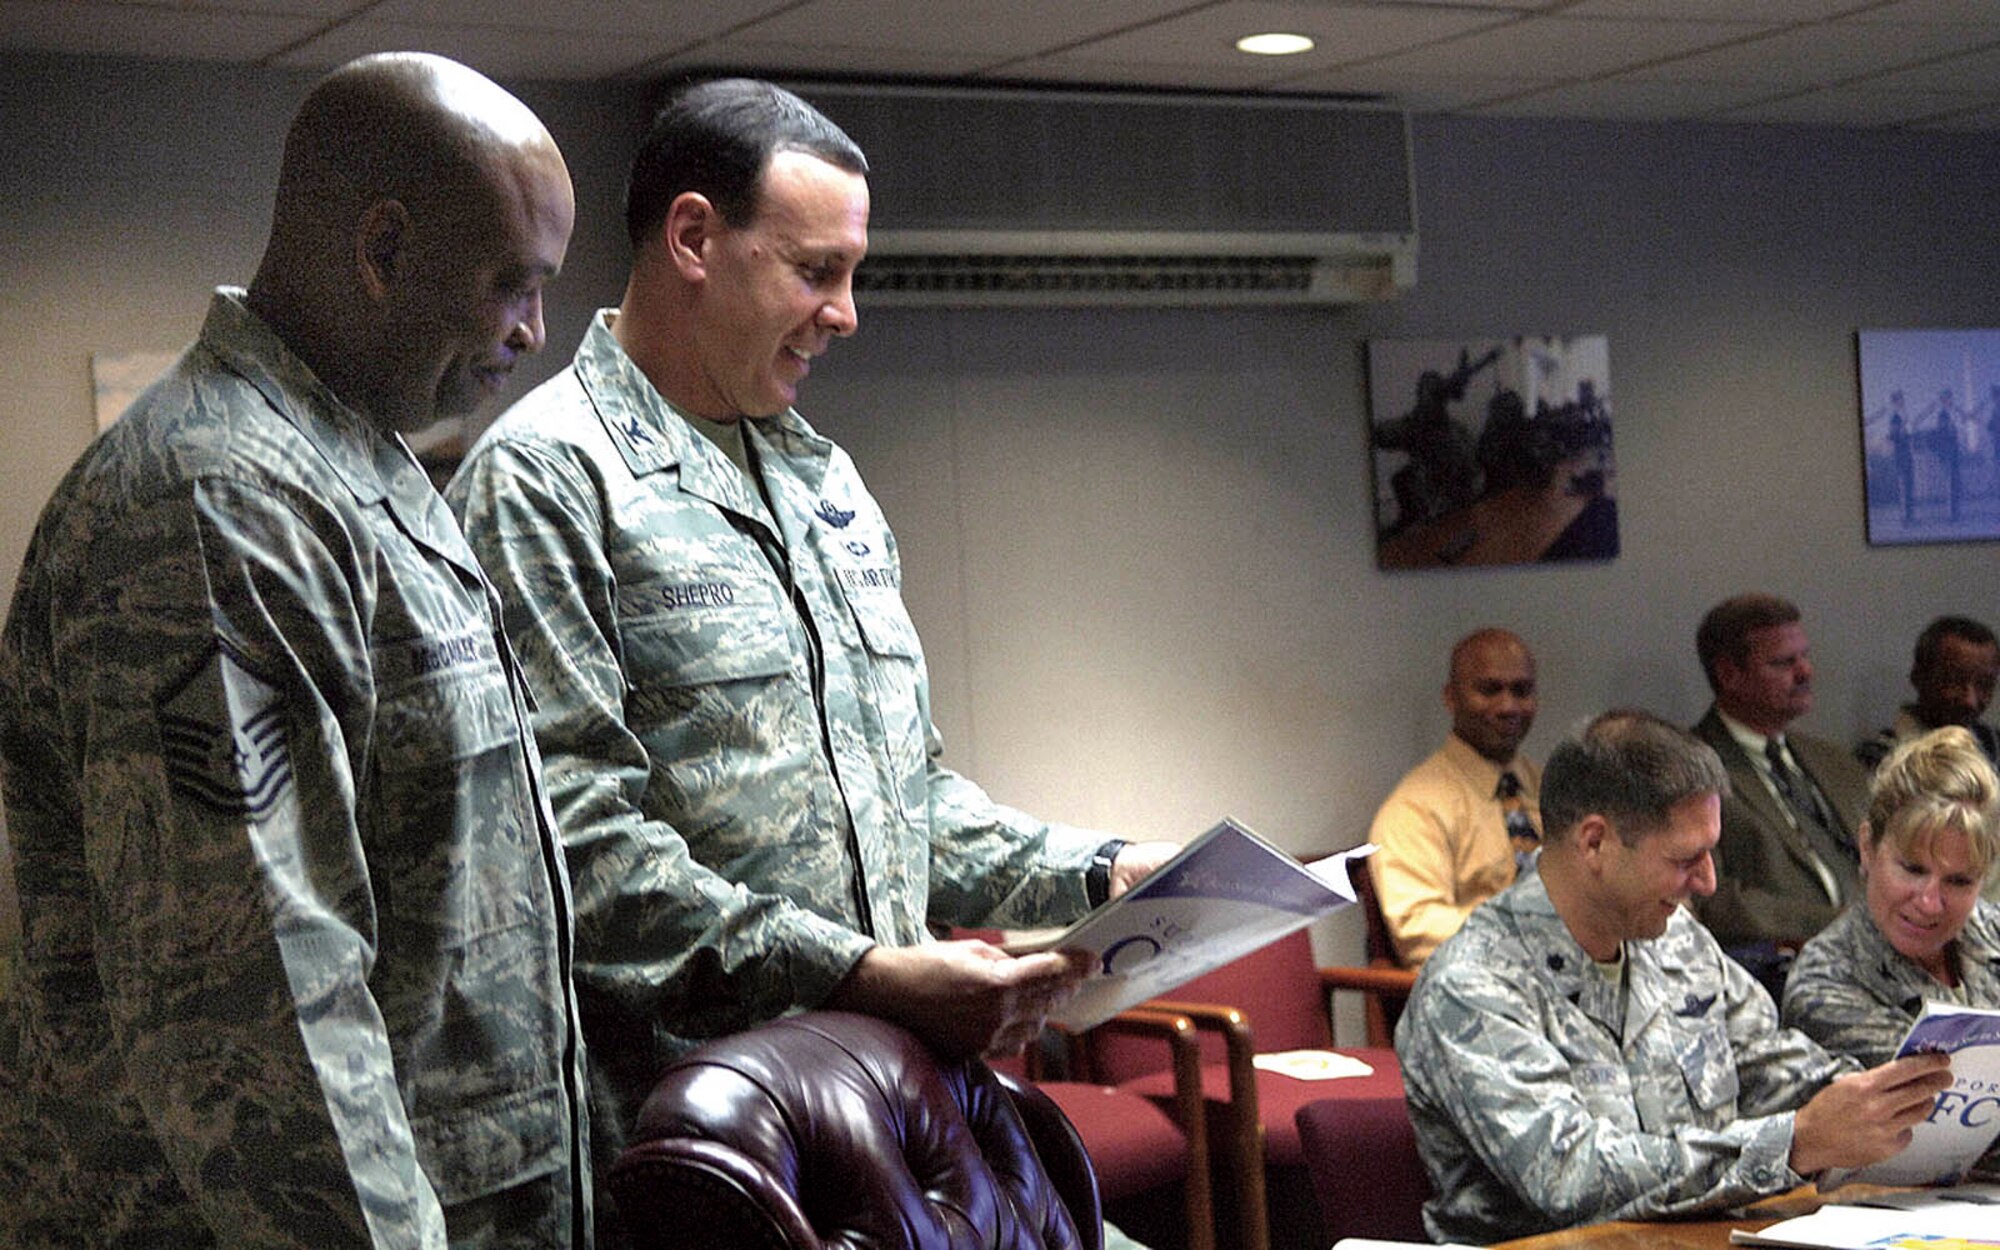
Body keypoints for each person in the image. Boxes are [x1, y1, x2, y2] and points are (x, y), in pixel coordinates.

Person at [444, 76, 1177, 1192]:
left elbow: (907, 799)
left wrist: (1099, 870)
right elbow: (578, 852)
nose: (844, 313)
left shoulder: (822, 480)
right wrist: (863, 972)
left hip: (885, 1122)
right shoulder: (545, 479)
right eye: (815, 271)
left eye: (851, 275)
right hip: (702, 1138)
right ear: (694, 237)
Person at [0, 53, 590, 1249]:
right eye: (510, 285)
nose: (534, 331)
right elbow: (266, 1022)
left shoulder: (357, 468)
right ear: (381, 250)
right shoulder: (213, 508)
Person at [1396, 710, 1955, 1245]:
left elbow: (1771, 1067)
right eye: (1687, 858)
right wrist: (1792, 1144)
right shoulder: (1474, 984)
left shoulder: (1676, 941)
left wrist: (1905, 1105)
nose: (1708, 882)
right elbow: (1571, 1177)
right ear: (1595, 842)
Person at [1784, 726, 2000, 1069]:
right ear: (1868, 847)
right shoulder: (1825, 984)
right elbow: (1955, 1078)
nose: (1930, 902)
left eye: (1958, 881)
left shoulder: (1990, 929)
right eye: (1913, 869)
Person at [1690, 593, 1870, 974]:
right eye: (1783, 663)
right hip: (1778, 969)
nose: (1805, 672)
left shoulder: (1837, 762)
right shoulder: (1691, 771)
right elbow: (1715, 899)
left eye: (1804, 656)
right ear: (1729, 674)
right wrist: (1840, 924)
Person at [1369, 627, 1543, 967]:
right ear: (1451, 698)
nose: (1508, 706)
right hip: (1478, 992)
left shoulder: (1554, 787)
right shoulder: (1416, 807)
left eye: (1521, 691)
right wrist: (1536, 937)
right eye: (1489, 690)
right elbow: (1418, 931)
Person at [1857, 615, 2000, 771]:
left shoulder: (1994, 745)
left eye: (1984, 685)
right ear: (1918, 676)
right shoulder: (1882, 759)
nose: (1970, 701)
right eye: (1954, 681)